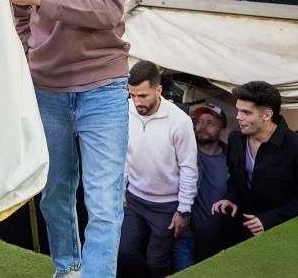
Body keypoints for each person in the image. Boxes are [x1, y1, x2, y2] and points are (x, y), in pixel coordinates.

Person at [5, 0, 130, 278]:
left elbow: (108, 8)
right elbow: (19, 21)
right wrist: (28, 56)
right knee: (55, 193)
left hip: (104, 85)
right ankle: (67, 269)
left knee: (103, 199)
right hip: (46, 89)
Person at [195, 82, 298, 261]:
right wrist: (230, 197)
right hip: (241, 213)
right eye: (238, 110)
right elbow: (235, 178)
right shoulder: (236, 138)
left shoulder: (294, 146)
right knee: (206, 234)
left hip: (279, 223)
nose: (238, 117)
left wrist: (268, 220)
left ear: (267, 114)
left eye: (246, 112)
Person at [118, 61, 198, 278]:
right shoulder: (125, 110)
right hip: (134, 199)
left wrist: (184, 210)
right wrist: (122, 188)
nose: (136, 101)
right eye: (132, 95)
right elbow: (124, 153)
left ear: (159, 89)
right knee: (123, 251)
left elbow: (189, 168)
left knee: (157, 263)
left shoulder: (180, 122)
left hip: (166, 206)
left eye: (142, 96)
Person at [173, 102, 229, 271]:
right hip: (184, 236)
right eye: (199, 121)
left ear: (222, 128)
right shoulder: (182, 154)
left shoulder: (232, 161)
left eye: (210, 123)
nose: (202, 127)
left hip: (217, 239)